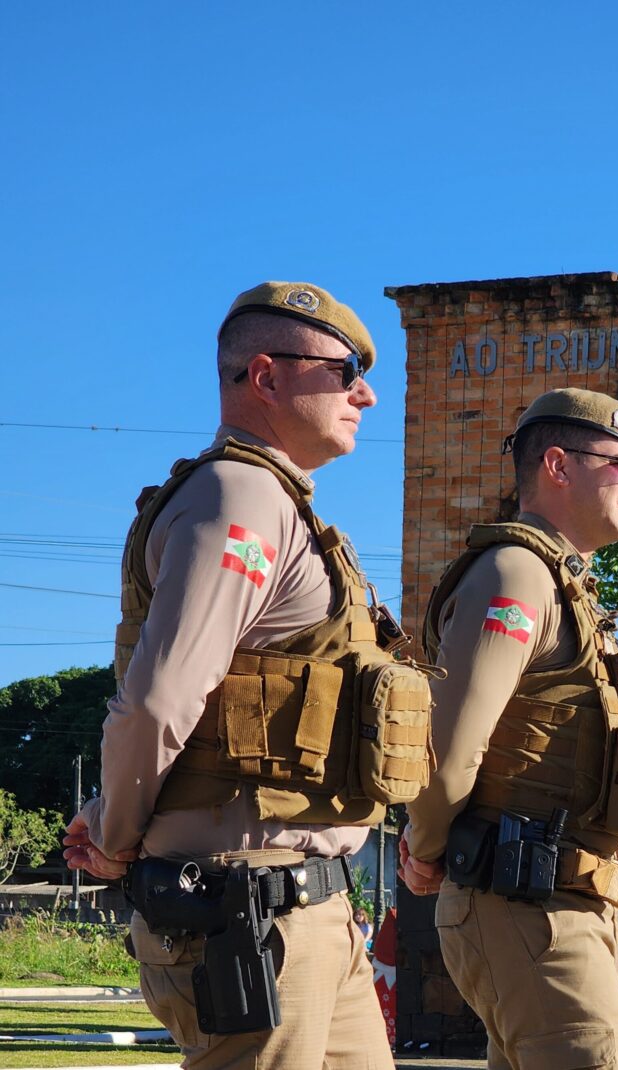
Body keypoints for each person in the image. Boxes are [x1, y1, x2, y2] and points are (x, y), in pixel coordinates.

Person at [63, 281, 430, 1070]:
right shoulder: (240, 495)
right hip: (248, 912)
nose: (365, 393)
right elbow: (161, 699)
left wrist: (107, 809)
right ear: (265, 377)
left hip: (311, 908)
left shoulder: (284, 507)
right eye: (343, 371)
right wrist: (119, 839)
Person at [400, 387, 618, 1070]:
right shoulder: (517, 573)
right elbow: (449, 748)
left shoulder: (558, 582)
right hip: (526, 908)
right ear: (558, 464)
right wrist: (428, 846)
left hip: (552, 908)